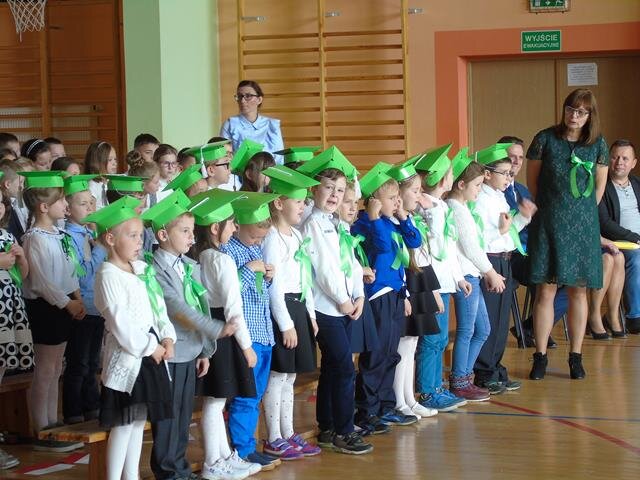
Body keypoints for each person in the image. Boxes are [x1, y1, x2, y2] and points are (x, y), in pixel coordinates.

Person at [141, 190, 236, 480]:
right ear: (162, 235)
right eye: (184, 231)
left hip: (190, 350)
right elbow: (178, 309)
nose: (192, 237)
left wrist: (205, 349)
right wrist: (216, 328)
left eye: (192, 231)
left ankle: (180, 468)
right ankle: (167, 472)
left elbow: (200, 305)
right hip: (170, 354)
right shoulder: (154, 270)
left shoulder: (188, 265)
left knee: (183, 416)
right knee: (168, 417)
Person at [86, 196, 175, 480]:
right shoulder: (108, 275)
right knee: (123, 425)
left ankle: (131, 475)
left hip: (151, 354)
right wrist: (150, 346)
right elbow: (120, 324)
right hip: (129, 358)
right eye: (132, 236)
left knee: (138, 424)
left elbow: (158, 307)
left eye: (140, 236)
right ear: (111, 239)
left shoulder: (142, 270)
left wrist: (167, 336)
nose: (140, 242)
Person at [526, 88, 609, 380]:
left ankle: (576, 356)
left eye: (581, 112)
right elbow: (533, 183)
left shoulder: (598, 144)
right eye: (570, 109)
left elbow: (599, 189)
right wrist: (555, 209)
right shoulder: (545, 139)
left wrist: (579, 214)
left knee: (578, 291)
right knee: (545, 291)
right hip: (549, 223)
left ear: (590, 116)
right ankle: (540, 356)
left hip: (583, 227)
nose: (574, 116)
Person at [300, 146, 373, 454]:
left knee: (333, 367)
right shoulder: (313, 224)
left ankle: (328, 427)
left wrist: (359, 295)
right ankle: (344, 430)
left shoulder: (339, 224)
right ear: (314, 190)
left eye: (340, 190)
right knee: (344, 368)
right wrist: (343, 300)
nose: (334, 195)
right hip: (326, 307)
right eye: (328, 188)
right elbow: (324, 269)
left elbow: (351, 264)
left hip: (345, 306)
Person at [191, 190, 263, 478]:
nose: (234, 228)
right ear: (214, 228)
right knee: (215, 401)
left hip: (208, 328)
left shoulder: (196, 258)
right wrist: (247, 347)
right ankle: (213, 462)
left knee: (217, 399)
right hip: (224, 330)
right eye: (231, 223)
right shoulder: (221, 260)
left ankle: (224, 456)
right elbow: (234, 308)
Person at [351, 162, 423, 429]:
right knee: (376, 355)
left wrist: (402, 216)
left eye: (397, 198)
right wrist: (373, 217)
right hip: (377, 295)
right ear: (373, 201)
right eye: (392, 198)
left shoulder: (391, 222)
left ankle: (385, 406)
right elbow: (381, 247)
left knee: (391, 354)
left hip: (394, 294)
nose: (397, 202)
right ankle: (367, 410)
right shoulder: (365, 223)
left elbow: (414, 241)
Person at [20, 171, 86, 452]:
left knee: (57, 367)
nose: (66, 205)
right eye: (61, 201)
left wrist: (77, 297)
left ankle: (53, 423)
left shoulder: (60, 234)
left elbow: (70, 270)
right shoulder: (34, 238)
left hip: (65, 305)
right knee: (45, 370)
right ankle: (41, 428)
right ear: (44, 207)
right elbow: (41, 281)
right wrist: (67, 303)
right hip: (46, 308)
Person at [261, 166, 321, 459]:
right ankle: (273, 437)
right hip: (281, 310)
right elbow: (273, 286)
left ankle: (288, 432)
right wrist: (285, 323)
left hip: (298, 307)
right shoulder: (272, 237)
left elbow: (305, 278)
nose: (303, 206)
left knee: (290, 377)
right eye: (298, 201)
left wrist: (310, 315)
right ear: (278, 203)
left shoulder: (296, 235)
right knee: (278, 375)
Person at [223, 192, 283, 470]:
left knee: (256, 394)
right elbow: (229, 291)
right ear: (238, 226)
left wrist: (267, 278)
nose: (258, 242)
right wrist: (249, 270)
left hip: (264, 332)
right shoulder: (228, 251)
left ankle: (250, 444)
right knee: (246, 395)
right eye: (254, 237)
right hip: (246, 335)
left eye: (261, 238)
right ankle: (243, 449)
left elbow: (259, 292)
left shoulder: (255, 250)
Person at [473, 144, 535, 394]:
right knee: (489, 320)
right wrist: (501, 230)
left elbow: (508, 233)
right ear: (488, 174)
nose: (509, 178)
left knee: (501, 322)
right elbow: (481, 238)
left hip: (505, 258)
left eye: (511, 173)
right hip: (490, 261)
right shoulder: (479, 199)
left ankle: (495, 367)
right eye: (505, 173)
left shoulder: (499, 196)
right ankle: (484, 372)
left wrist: (523, 218)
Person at [413, 146, 468, 412]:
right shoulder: (425, 208)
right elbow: (433, 246)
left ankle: (436, 386)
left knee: (441, 339)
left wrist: (458, 278)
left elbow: (450, 248)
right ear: (444, 179)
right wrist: (433, 212)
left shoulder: (442, 206)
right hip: (431, 284)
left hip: (445, 283)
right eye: (450, 173)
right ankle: (427, 390)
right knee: (432, 339)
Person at [446, 158, 504, 402]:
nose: (480, 189)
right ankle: (460, 381)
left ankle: (463, 377)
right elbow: (470, 248)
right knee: (467, 330)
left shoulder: (463, 208)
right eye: (477, 185)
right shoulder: (455, 209)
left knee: (483, 329)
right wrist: (490, 272)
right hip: (466, 276)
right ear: (461, 185)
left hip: (473, 274)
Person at [385, 159, 439, 420]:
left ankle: (409, 398)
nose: (419, 195)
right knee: (403, 344)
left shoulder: (410, 219)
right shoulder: (393, 222)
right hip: (404, 280)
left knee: (412, 343)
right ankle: (398, 401)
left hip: (418, 280)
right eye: (415, 191)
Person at [500, 136, 566, 349]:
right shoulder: (493, 190)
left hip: (534, 250)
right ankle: (536, 329)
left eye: (520, 158)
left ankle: (531, 327)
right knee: (547, 274)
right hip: (510, 255)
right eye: (512, 157)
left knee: (572, 277)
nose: (517, 162)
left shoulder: (523, 190)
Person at [61, 174, 107, 425]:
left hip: (97, 306)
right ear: (67, 209)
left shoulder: (90, 233)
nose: (90, 208)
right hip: (82, 307)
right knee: (78, 363)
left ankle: (92, 405)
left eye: (92, 202)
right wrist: (100, 248)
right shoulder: (69, 238)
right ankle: (73, 411)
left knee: (92, 362)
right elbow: (82, 275)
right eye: (83, 204)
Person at [598, 139, 640, 335]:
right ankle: (634, 317)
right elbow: (605, 223)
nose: (619, 162)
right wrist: (635, 238)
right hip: (616, 243)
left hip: (637, 241)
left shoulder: (637, 184)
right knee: (636, 260)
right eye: (615, 157)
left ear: (634, 163)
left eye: (625, 158)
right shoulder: (602, 185)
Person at [220, 80, 284, 164]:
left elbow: (279, 158)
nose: (242, 101)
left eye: (248, 96)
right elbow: (223, 156)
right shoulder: (230, 124)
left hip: (268, 171)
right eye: (240, 96)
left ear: (259, 99)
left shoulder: (272, 125)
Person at [85, 141, 119, 210]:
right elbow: (92, 211)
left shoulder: (110, 182)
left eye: (115, 159)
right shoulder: (93, 185)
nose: (114, 163)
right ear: (97, 162)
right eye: (110, 160)